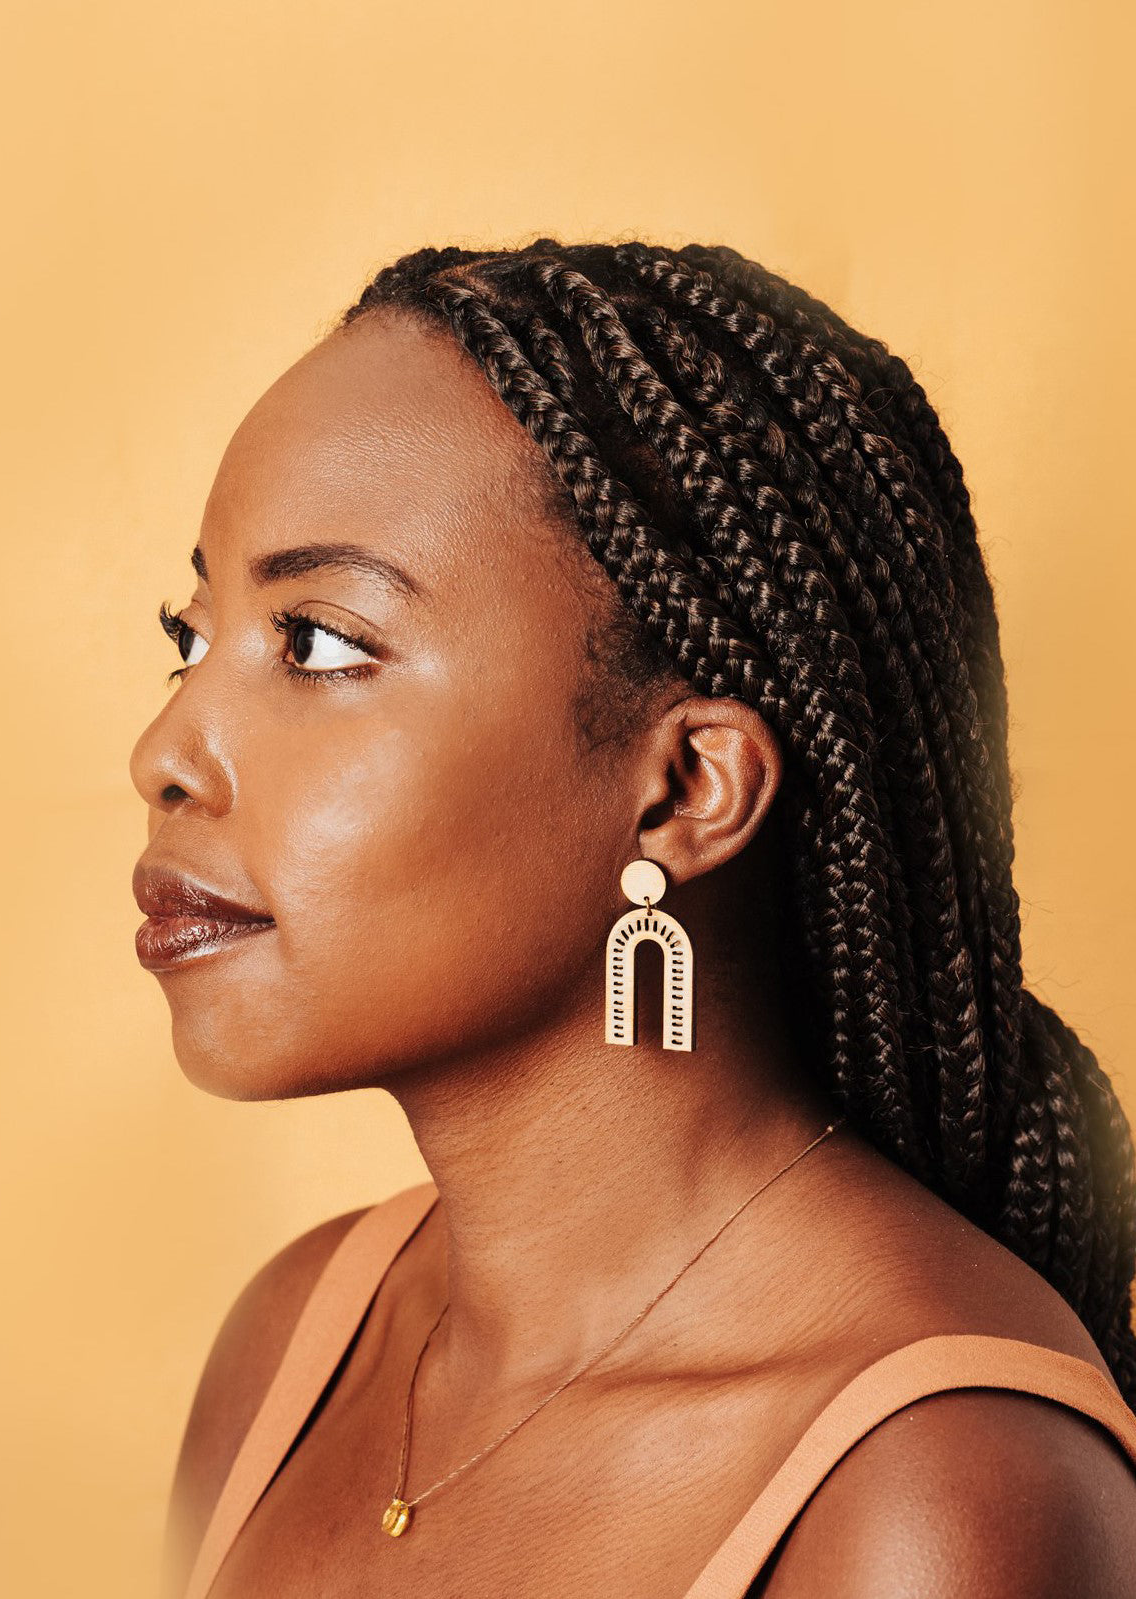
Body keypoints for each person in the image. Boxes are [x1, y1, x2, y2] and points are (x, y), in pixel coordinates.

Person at [129, 239, 1136, 1598]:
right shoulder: (297, 1343)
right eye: (190, 639)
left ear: (683, 793)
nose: (167, 752)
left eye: (319, 642)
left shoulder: (936, 1491)